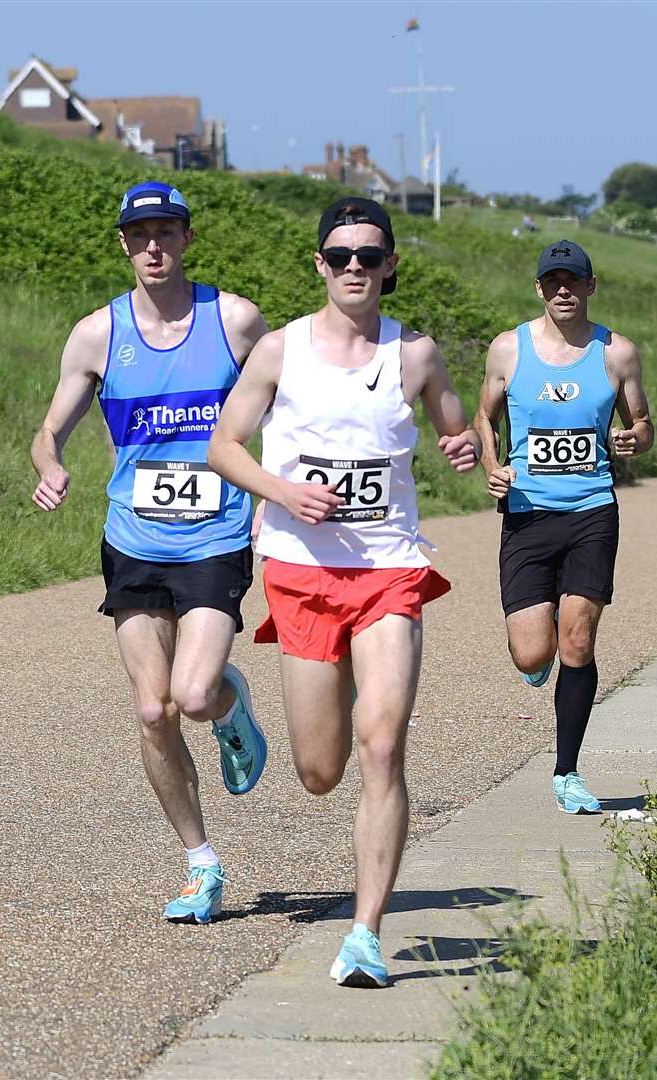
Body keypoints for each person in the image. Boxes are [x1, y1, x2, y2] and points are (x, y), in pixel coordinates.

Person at [207, 197, 479, 988]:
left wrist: (461, 446)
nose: (354, 267)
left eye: (369, 255)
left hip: (390, 567)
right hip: (300, 570)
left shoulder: (416, 354)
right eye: (339, 256)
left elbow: (452, 425)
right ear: (319, 266)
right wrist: (284, 492)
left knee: (383, 744)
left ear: (390, 264)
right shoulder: (279, 352)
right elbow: (225, 447)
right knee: (320, 771)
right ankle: (235, 704)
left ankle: (365, 934)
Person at [30, 181, 270, 925]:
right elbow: (49, 430)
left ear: (187, 239)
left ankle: (232, 707)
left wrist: (270, 499)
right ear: (125, 245)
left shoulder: (232, 320)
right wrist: (51, 467)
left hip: (217, 533)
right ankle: (202, 866)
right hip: (133, 538)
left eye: (166, 232)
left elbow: (293, 414)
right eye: (140, 235)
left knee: (192, 696)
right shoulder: (96, 335)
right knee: (150, 707)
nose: (154, 246)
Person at [474, 239, 653, 814]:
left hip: (591, 510)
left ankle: (567, 771)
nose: (563, 291)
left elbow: (642, 423)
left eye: (573, 281)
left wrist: (634, 438)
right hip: (527, 515)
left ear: (590, 286)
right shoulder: (508, 349)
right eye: (553, 282)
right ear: (539, 288)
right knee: (532, 654)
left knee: (579, 638)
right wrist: (492, 464)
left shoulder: (616, 352)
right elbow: (485, 416)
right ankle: (538, 642)